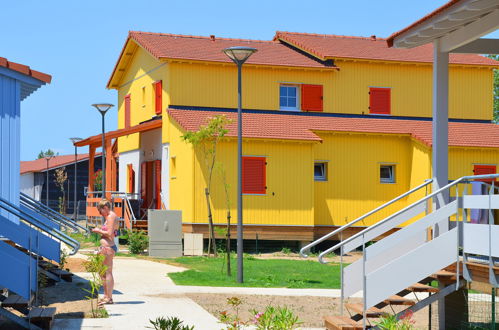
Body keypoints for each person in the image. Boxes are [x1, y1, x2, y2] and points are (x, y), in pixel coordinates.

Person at [92, 199, 118, 306]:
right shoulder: (109, 216)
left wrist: (98, 230)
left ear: (105, 208)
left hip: (108, 247)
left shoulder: (111, 216)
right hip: (105, 247)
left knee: (107, 272)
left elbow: (109, 233)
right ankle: (106, 296)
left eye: (100, 211)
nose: (100, 214)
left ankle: (109, 297)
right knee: (102, 273)